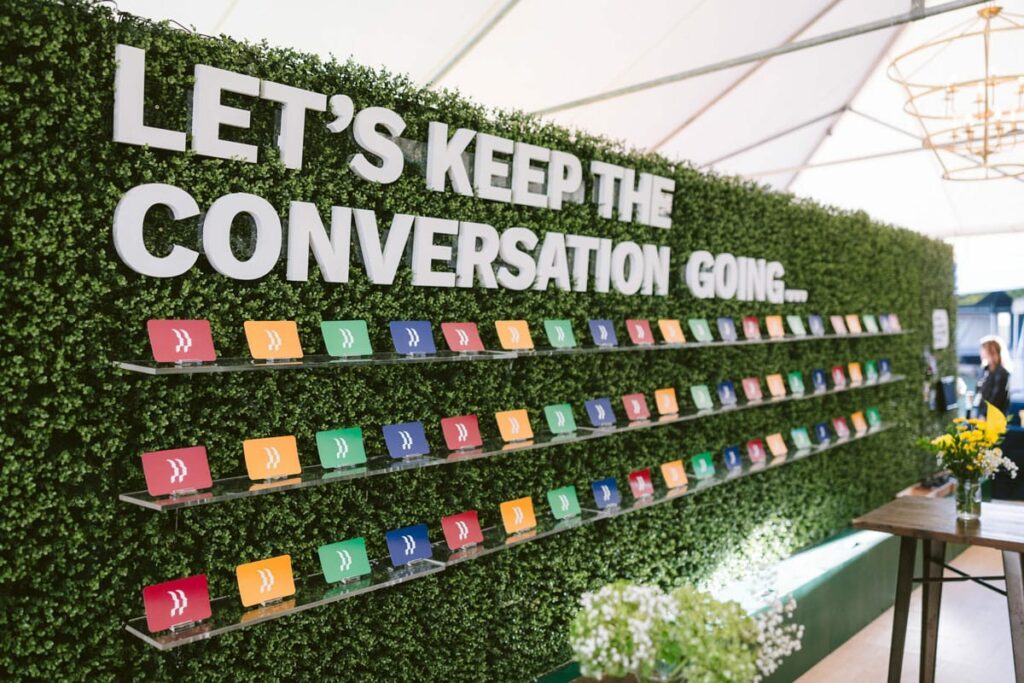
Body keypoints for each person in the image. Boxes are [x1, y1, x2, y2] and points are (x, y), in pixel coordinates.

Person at [973, 335, 1011, 418]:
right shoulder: (986, 370)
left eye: (983, 349)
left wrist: (984, 414)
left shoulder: (1001, 373)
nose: (981, 352)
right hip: (983, 414)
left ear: (991, 351)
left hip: (993, 417)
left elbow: (996, 399)